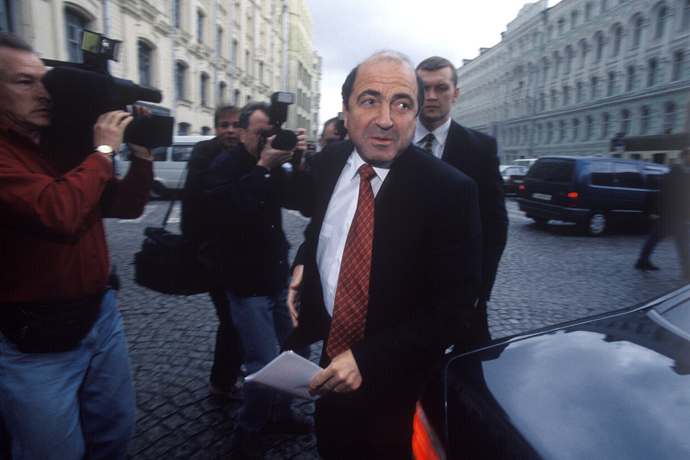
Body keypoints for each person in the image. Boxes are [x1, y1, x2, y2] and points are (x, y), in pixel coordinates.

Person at [284, 51, 482, 459]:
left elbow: (452, 311)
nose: (386, 119)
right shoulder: (329, 161)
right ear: (345, 108)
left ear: (415, 112)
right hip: (327, 367)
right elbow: (324, 228)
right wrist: (304, 262)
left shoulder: (451, 192)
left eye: (402, 104)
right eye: (370, 100)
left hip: (398, 390)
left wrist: (368, 360)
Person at [0, 32, 154, 459]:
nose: (43, 92)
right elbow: (57, 210)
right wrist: (103, 149)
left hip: (100, 317)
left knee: (114, 433)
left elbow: (125, 206)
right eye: (24, 83)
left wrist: (141, 155)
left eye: (42, 80)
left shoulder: (61, 145)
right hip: (35, 340)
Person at [204, 102, 312, 459]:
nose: (269, 140)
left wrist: (296, 162)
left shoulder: (275, 165)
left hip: (276, 276)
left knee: (297, 349)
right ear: (245, 132)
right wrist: (264, 167)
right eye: (263, 134)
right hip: (246, 284)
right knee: (265, 363)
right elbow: (231, 213)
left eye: (273, 133)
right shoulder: (225, 165)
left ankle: (280, 414)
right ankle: (248, 428)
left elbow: (301, 201)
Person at [415, 56, 508, 346]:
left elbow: (495, 223)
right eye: (423, 87)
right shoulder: (392, 143)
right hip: (397, 291)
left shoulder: (480, 148)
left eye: (441, 88)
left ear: (455, 94)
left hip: (461, 293)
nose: (431, 96)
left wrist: (481, 289)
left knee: (468, 372)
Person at [181, 104, 244, 398]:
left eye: (235, 125)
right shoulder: (204, 152)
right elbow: (204, 192)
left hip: (238, 252)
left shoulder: (245, 150)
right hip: (212, 254)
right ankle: (221, 382)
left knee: (241, 316)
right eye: (224, 125)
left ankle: (232, 370)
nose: (229, 130)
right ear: (216, 127)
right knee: (231, 318)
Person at [636, 148, 690, 279]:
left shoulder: (685, 172)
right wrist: (656, 211)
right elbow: (664, 194)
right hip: (670, 214)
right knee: (680, 242)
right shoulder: (675, 172)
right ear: (684, 157)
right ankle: (687, 270)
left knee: (662, 239)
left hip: (679, 214)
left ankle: (642, 261)